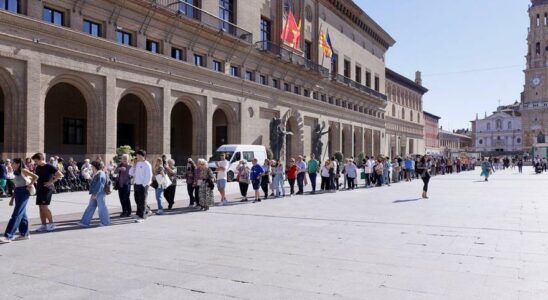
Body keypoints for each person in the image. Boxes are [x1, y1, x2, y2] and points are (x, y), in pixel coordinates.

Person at [0, 158, 38, 243]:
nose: (11, 164)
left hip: (24, 192)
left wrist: (30, 185)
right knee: (22, 214)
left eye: (13, 163)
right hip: (17, 192)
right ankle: (25, 234)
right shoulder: (15, 172)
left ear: (18, 164)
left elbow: (35, 177)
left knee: (16, 214)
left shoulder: (23, 170)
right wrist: (12, 199)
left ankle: (8, 236)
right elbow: (16, 186)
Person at [32, 153, 63, 232]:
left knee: (44, 207)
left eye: (36, 161)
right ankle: (43, 225)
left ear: (41, 159)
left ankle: (51, 224)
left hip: (47, 189)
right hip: (39, 188)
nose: (35, 162)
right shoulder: (38, 167)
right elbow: (37, 177)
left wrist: (51, 182)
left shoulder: (49, 166)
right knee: (40, 207)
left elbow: (60, 174)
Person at [78, 161, 111, 227]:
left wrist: (95, 194)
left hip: (99, 193)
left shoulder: (100, 174)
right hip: (97, 193)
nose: (91, 167)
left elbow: (100, 185)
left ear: (95, 166)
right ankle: (84, 222)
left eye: (92, 166)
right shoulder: (98, 173)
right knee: (91, 207)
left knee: (101, 207)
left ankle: (105, 222)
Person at [129, 150, 152, 223]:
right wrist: (134, 166)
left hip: (143, 185)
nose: (136, 156)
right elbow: (131, 173)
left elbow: (149, 176)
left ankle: (142, 216)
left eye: (138, 155)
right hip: (136, 184)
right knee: (137, 199)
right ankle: (142, 212)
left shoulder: (147, 164)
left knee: (142, 200)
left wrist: (144, 184)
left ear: (142, 156)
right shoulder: (137, 163)